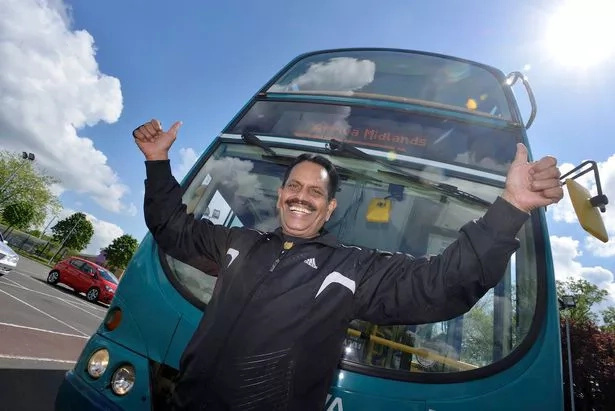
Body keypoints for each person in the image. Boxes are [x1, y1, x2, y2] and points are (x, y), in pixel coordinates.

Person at [133, 119, 563, 410]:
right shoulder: (236, 244)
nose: (301, 196)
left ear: (330, 206)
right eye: (294, 187)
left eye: (314, 192)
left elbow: (441, 284)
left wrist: (511, 207)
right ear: (281, 194)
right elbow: (171, 227)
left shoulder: (351, 270)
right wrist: (156, 162)